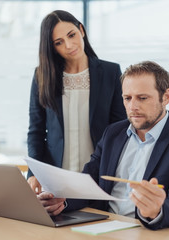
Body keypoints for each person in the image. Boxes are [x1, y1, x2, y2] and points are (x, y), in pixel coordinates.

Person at [37, 61, 169, 231]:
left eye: (142, 98)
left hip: (149, 232)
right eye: (127, 98)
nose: (132, 106)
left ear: (166, 97)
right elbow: (88, 185)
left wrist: (156, 211)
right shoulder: (113, 133)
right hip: (102, 229)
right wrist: (61, 200)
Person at [27, 10, 126, 193]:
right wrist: (33, 173)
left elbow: (119, 129)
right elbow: (36, 131)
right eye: (59, 42)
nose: (69, 45)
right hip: (54, 177)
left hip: (98, 176)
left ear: (81, 30)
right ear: (52, 47)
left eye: (71, 35)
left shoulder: (111, 72)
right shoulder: (42, 76)